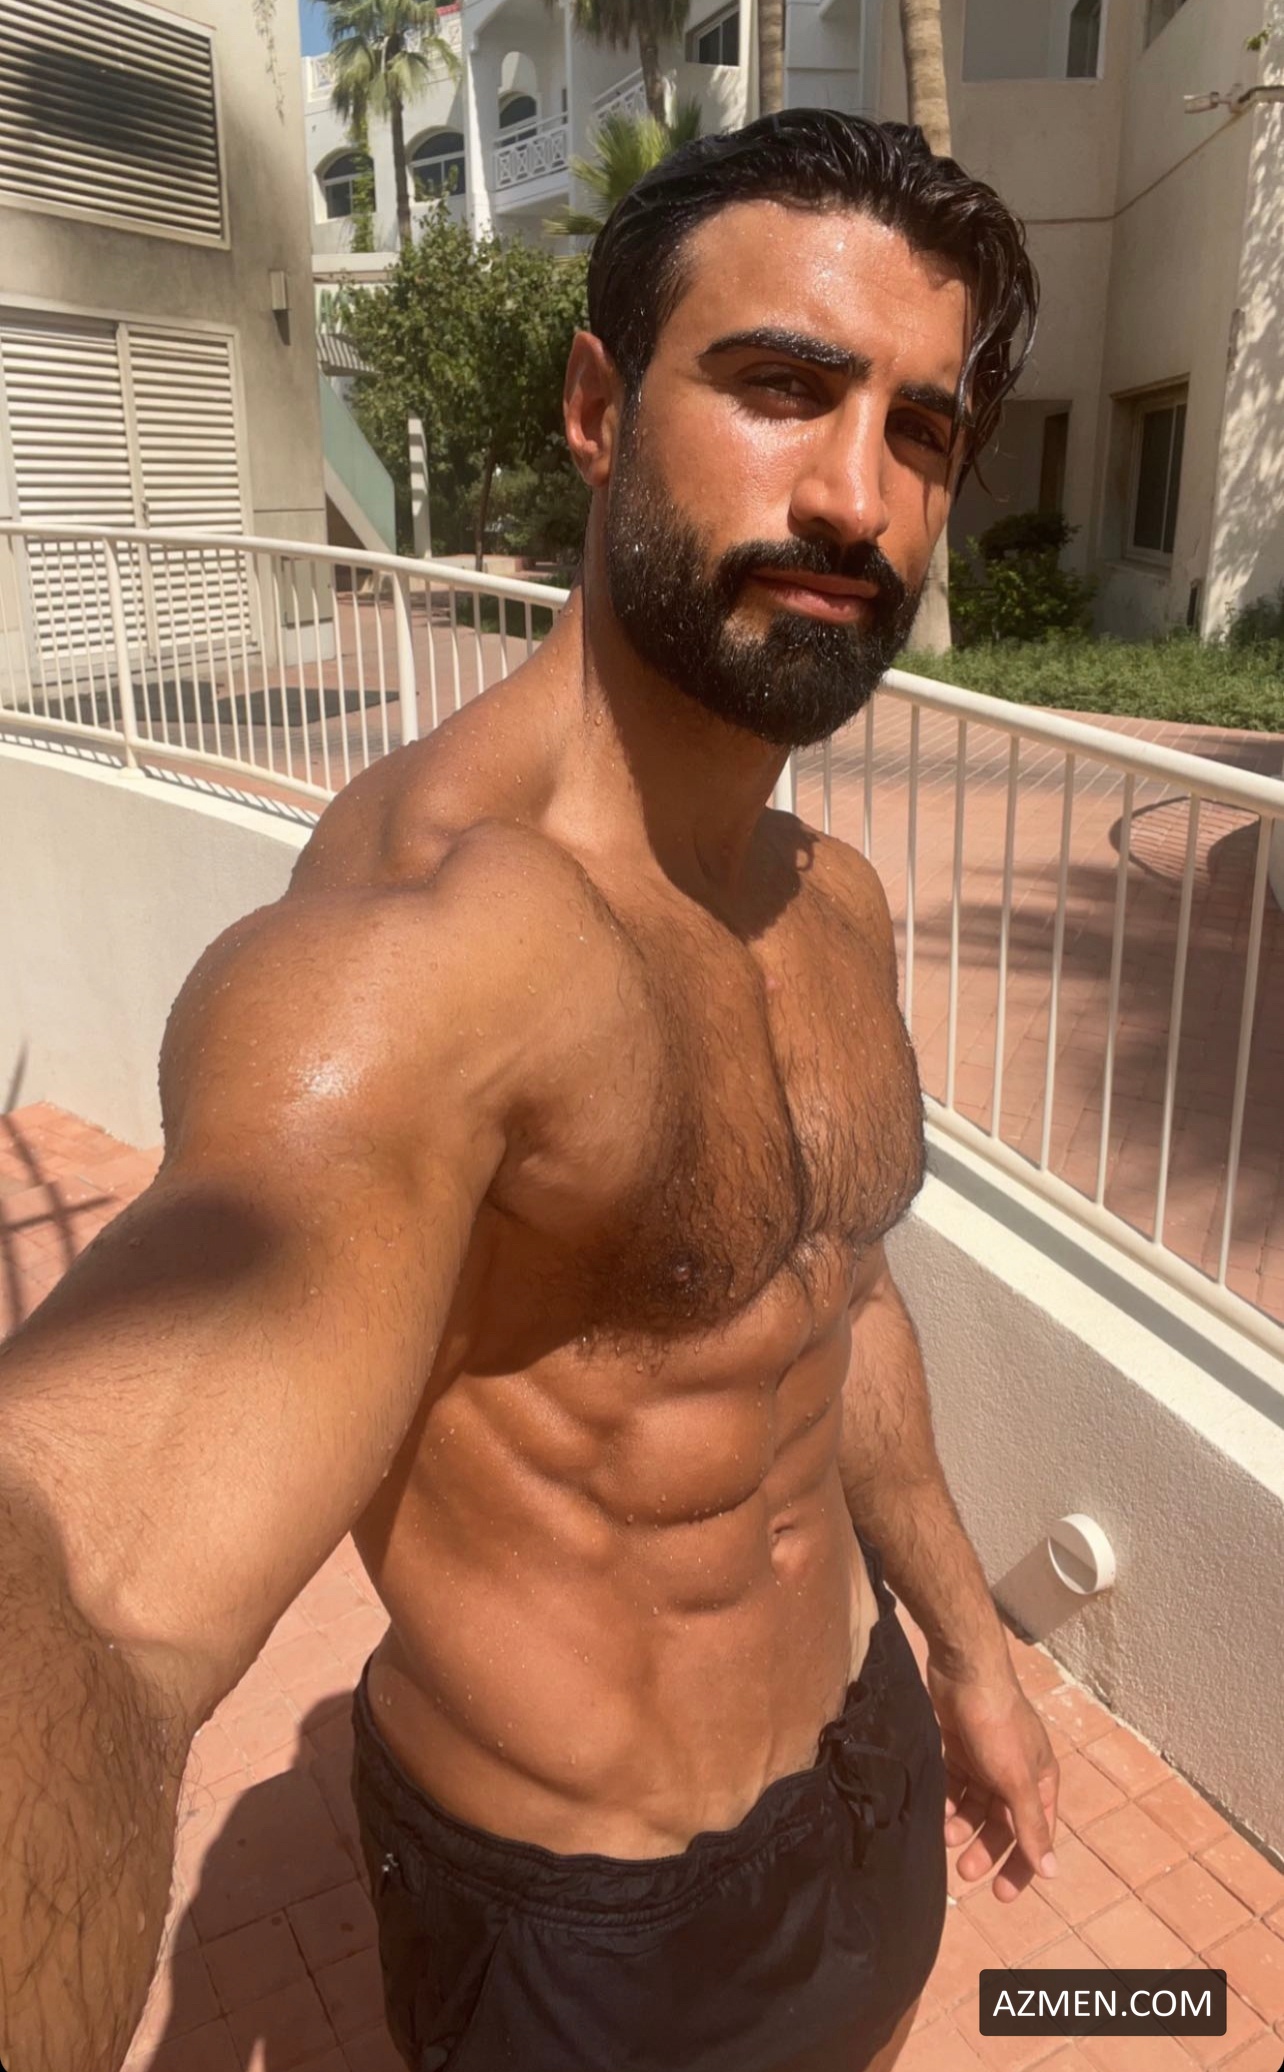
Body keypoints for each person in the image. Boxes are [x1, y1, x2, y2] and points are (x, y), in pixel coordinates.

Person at [0, 111, 1058, 2072]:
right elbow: (99, 1566)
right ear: (595, 409)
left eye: (921, 430)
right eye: (782, 386)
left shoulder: (831, 903)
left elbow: (832, 1291)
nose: (859, 496)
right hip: (591, 1931)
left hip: (865, 1759)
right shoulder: (429, 947)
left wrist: (970, 1651)